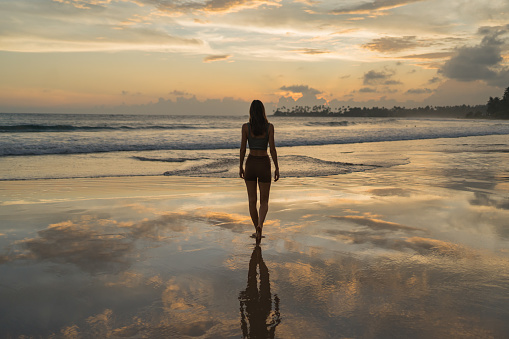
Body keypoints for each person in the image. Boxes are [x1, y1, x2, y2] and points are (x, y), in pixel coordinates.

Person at [239, 100, 279, 242]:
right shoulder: (269, 127)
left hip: (250, 164)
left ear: (251, 111)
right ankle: (260, 225)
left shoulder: (245, 127)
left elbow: (243, 149)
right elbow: (272, 149)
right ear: (263, 111)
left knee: (251, 201)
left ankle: (256, 228)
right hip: (264, 164)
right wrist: (277, 167)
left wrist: (240, 166)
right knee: (264, 201)